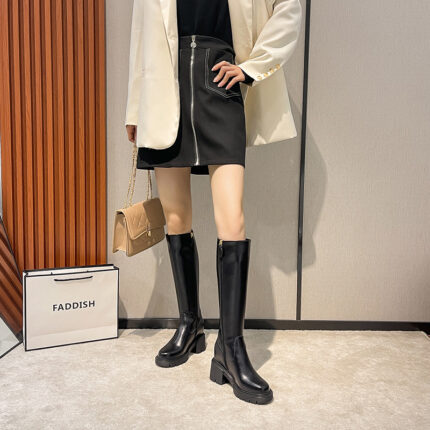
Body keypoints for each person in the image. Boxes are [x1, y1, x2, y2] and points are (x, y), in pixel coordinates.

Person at [124, 0, 302, 405]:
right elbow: (140, 36)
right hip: (163, 89)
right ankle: (190, 325)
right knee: (175, 216)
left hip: (219, 85)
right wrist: (133, 108)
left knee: (232, 219)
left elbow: (288, 8)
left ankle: (231, 347)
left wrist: (252, 67)